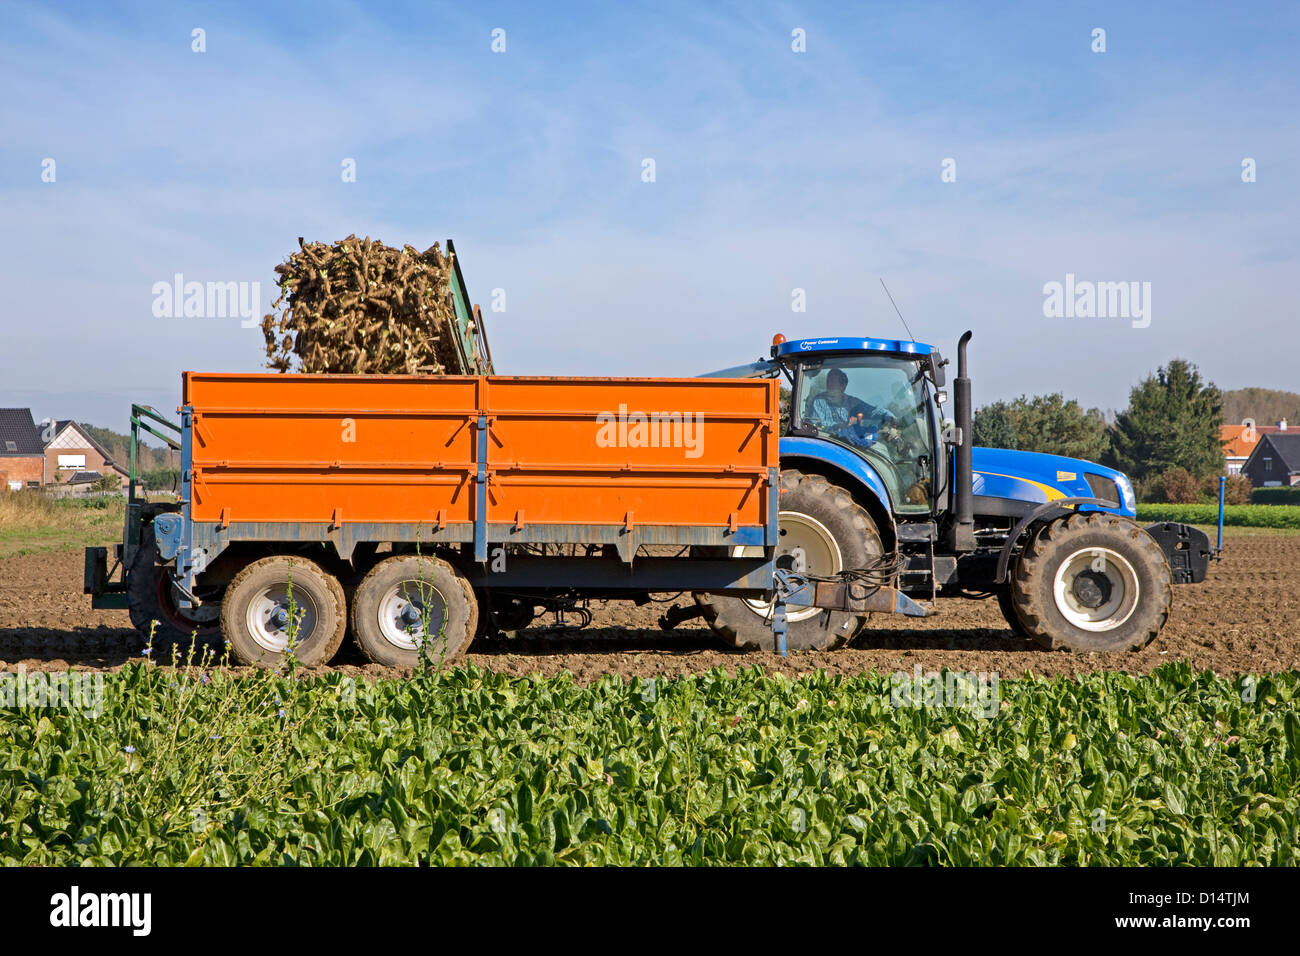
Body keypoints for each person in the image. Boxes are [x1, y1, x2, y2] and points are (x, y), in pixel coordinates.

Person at [803, 368, 897, 440]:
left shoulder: (852, 402)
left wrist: (890, 417)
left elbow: (872, 411)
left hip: (849, 446)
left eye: (833, 382)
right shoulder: (819, 401)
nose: (829, 385)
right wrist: (842, 425)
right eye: (828, 381)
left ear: (843, 386)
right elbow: (816, 424)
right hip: (825, 441)